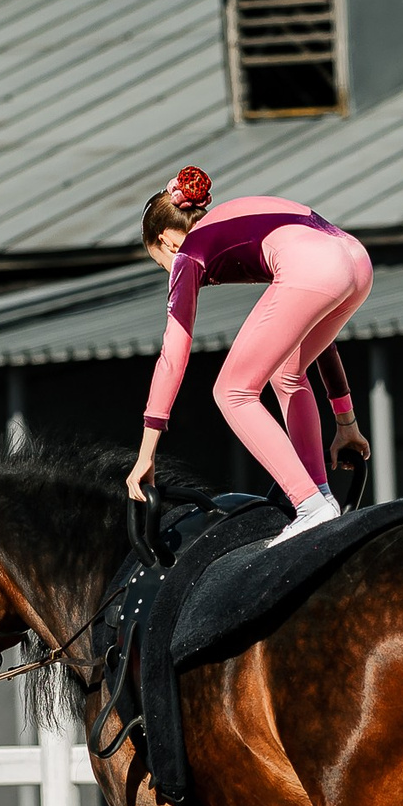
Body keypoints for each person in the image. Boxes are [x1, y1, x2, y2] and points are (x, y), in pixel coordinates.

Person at [126, 166, 374, 544]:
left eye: (158, 261)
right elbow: (315, 327)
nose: (168, 269)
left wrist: (146, 455)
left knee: (232, 391)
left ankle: (310, 505)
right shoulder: (234, 219)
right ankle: (321, 495)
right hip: (356, 261)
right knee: (289, 371)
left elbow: (173, 358)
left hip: (315, 268)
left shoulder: (188, 253)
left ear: (167, 241)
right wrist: (346, 422)